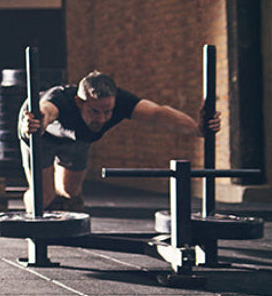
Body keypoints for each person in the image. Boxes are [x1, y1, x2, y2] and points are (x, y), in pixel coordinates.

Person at [19, 70, 219, 211]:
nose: (102, 118)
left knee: (70, 193)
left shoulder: (120, 102)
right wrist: (36, 124)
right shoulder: (60, 100)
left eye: (108, 111)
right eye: (95, 111)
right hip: (40, 133)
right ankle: (33, 216)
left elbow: (158, 113)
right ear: (80, 103)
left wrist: (197, 129)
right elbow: (46, 111)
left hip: (77, 139)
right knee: (44, 198)